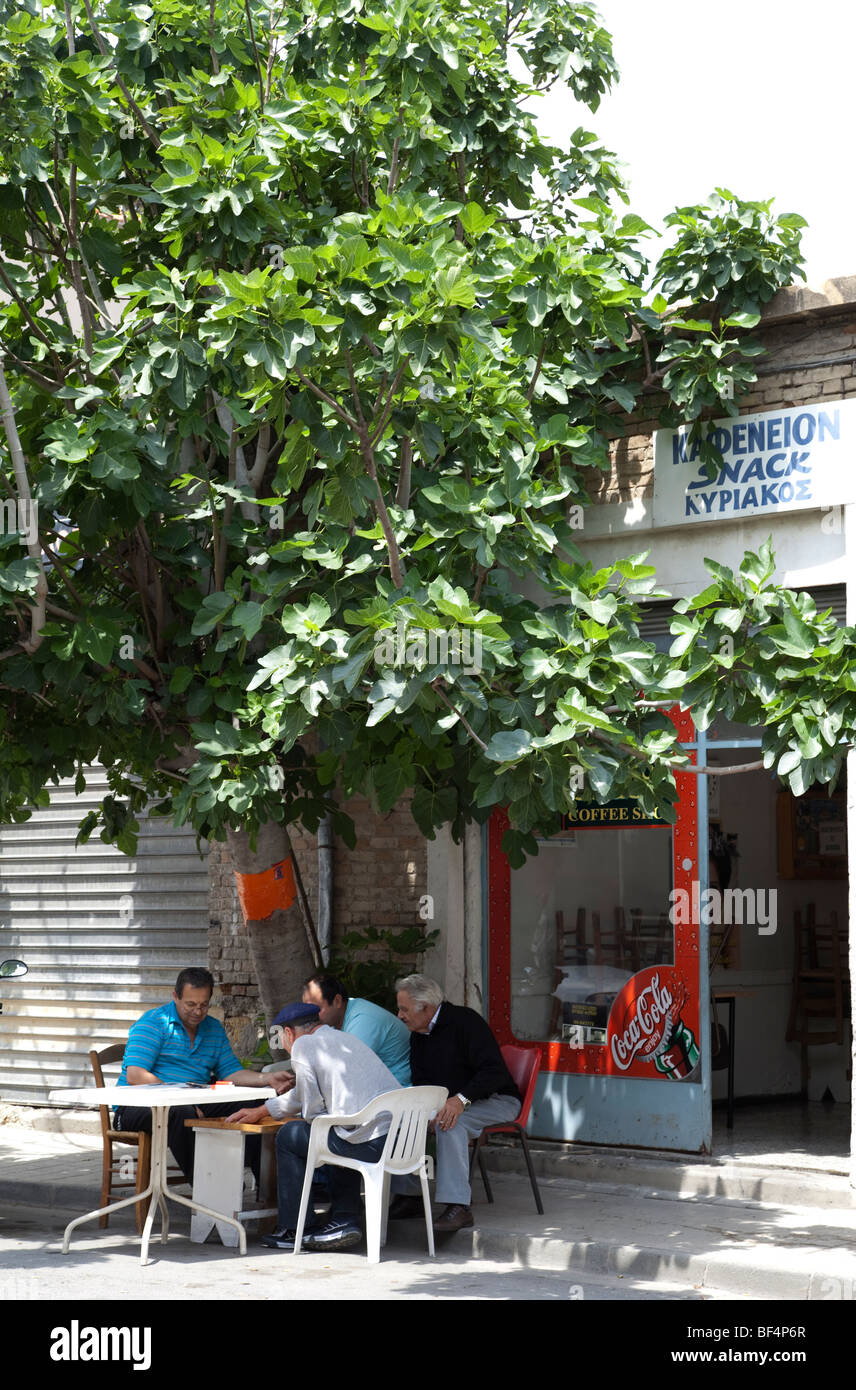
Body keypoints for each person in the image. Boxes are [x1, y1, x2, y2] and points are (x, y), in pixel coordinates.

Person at [228, 1001, 400, 1253]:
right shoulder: (344, 1039)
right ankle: (344, 1219)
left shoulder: (304, 1045)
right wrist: (262, 1111)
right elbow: (302, 1096)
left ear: (288, 1033)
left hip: (368, 1143)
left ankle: (295, 1228)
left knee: (290, 1136)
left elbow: (310, 1111)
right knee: (340, 1131)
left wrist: (293, 1113)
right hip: (397, 1140)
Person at [113, 967, 292, 1182]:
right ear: (175, 997)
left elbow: (231, 1072)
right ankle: (211, 1188)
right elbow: (135, 1075)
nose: (198, 1012)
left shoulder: (213, 1029)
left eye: (204, 1005)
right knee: (179, 1112)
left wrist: (266, 1079)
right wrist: (178, 1099)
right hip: (137, 1107)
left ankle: (270, 1191)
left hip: (193, 1101)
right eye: (191, 1004)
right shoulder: (152, 1023)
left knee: (258, 1104)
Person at [392, 973, 521, 1232]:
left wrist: (460, 1100)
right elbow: (421, 1080)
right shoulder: (419, 1031)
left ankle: (458, 1206)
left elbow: (493, 1073)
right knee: (403, 1116)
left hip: (497, 1099)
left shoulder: (465, 1022)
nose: (399, 1015)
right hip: (451, 1102)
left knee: (450, 1123)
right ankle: (410, 1196)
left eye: (404, 1009)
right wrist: (425, 1108)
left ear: (426, 1008)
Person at [301, 973, 411, 1085]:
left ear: (337, 1001)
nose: (310, 1016)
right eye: (306, 1010)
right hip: (381, 1089)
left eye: (315, 1009)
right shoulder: (336, 1018)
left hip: (400, 1091)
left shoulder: (364, 1020)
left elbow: (346, 1072)